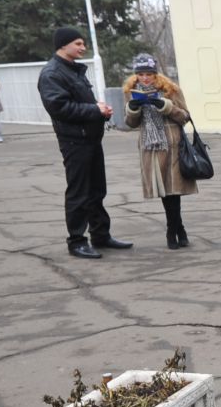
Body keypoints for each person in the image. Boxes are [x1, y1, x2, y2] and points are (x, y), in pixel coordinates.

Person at [37, 27, 128, 259]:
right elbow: (59, 108)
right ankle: (77, 241)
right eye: (78, 43)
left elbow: (78, 102)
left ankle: (101, 235)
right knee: (79, 192)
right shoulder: (52, 73)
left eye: (83, 43)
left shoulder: (74, 71)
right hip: (74, 141)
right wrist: (93, 110)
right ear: (63, 45)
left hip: (91, 138)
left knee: (97, 189)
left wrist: (100, 111)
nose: (82, 47)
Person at [121, 53, 197, 248]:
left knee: (174, 190)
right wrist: (133, 109)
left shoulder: (171, 90)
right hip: (150, 147)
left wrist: (167, 107)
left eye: (149, 74)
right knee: (164, 190)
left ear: (156, 74)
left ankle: (173, 230)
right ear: (136, 75)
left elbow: (185, 117)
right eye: (141, 74)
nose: (145, 78)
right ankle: (178, 228)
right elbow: (131, 123)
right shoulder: (131, 91)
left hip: (172, 145)